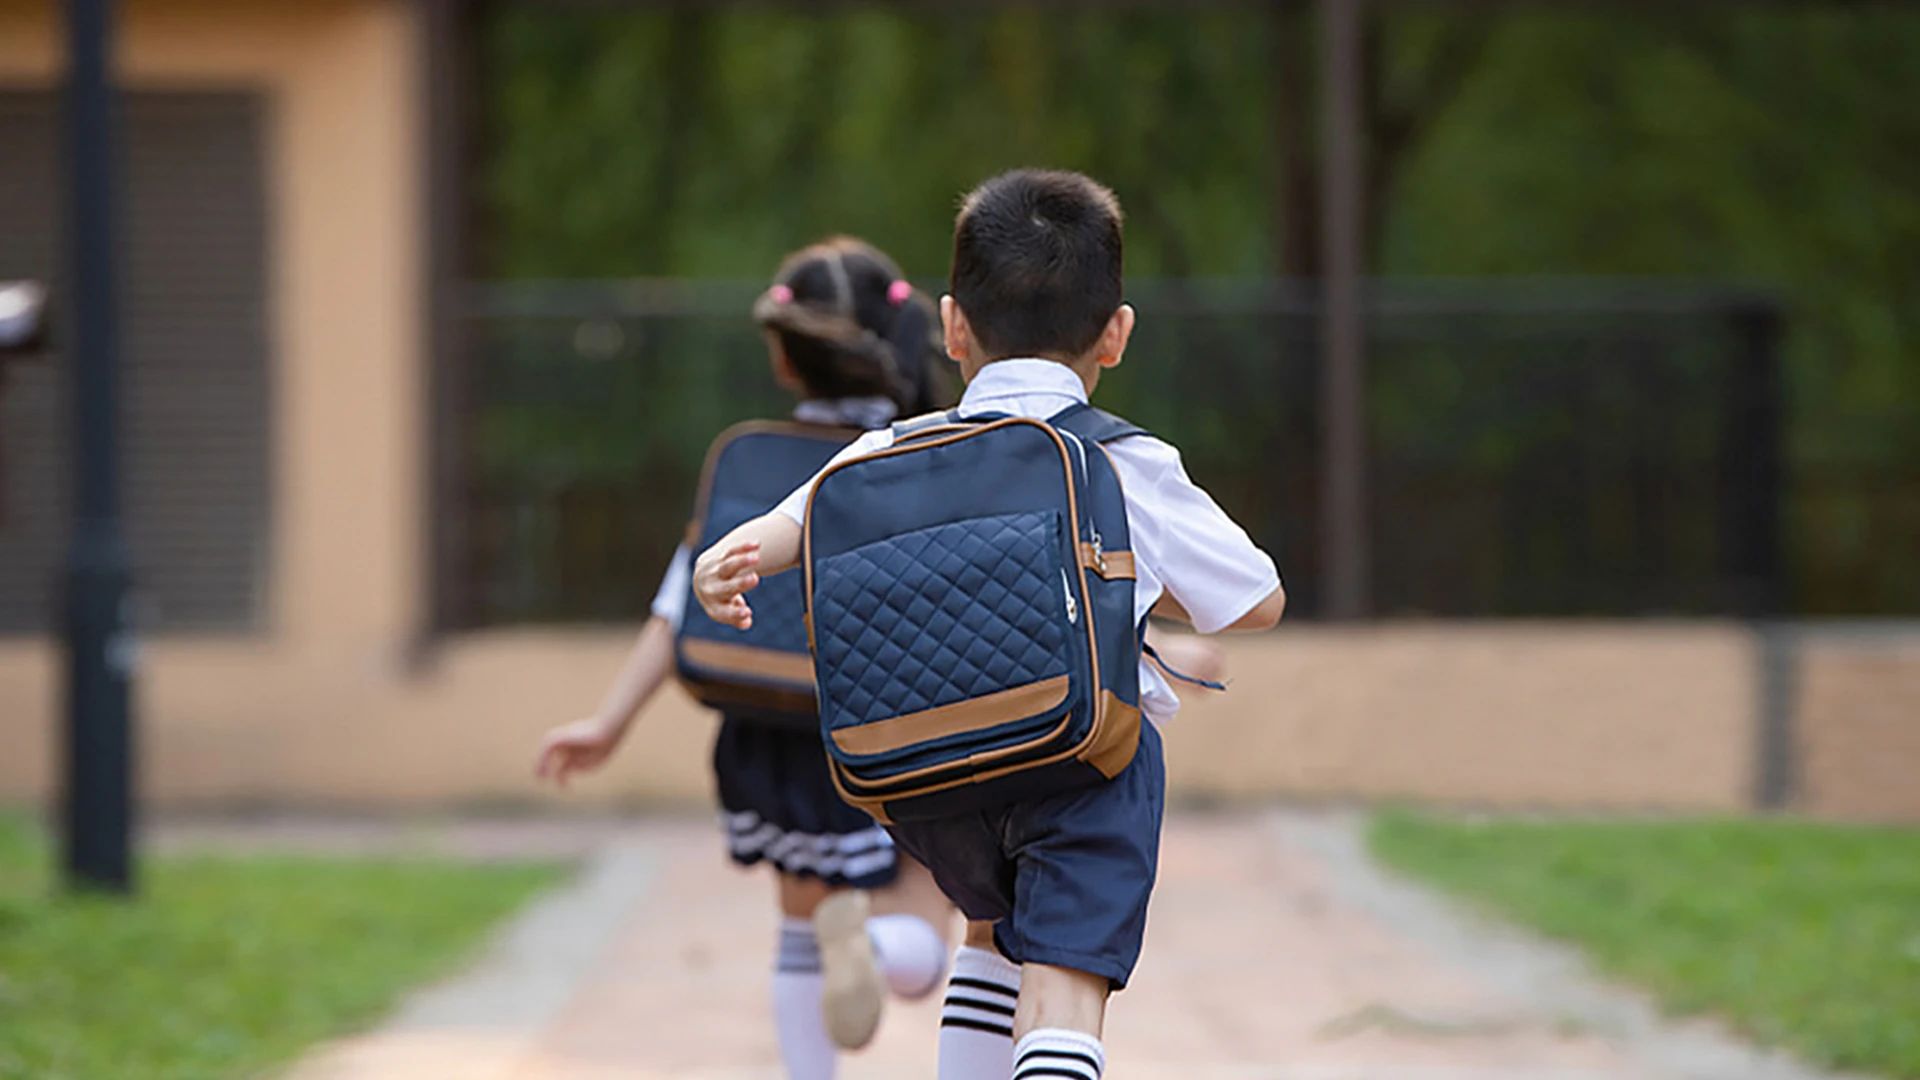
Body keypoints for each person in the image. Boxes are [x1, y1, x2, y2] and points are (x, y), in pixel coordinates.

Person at [687, 169, 1285, 1080]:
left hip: (931, 777)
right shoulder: (1124, 459)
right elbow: (1255, 601)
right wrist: (1130, 580)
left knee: (989, 943)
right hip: (1087, 759)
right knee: (1062, 988)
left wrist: (719, 563)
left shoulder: (889, 451)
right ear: (1115, 336)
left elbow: (787, 529)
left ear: (955, 326)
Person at [535, 237, 957, 1080]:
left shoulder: (753, 464)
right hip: (887, 730)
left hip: (769, 733)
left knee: (799, 929)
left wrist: (609, 724)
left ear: (786, 362)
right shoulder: (919, 456)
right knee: (929, 939)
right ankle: (874, 944)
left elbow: (675, 607)